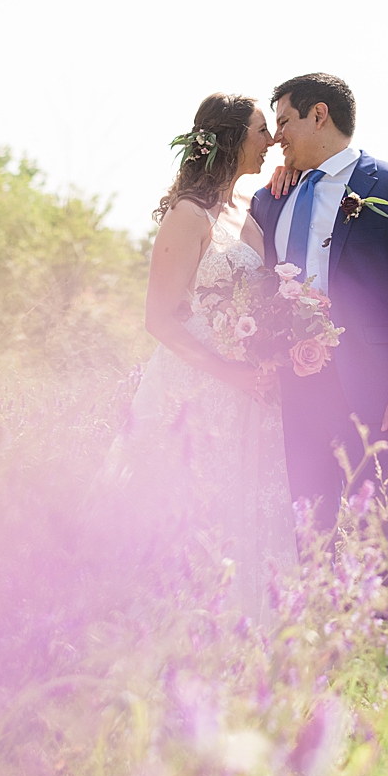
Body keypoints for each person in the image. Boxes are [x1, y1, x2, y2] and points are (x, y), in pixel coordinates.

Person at [113, 92, 298, 623]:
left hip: (249, 393)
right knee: (188, 515)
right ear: (233, 138)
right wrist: (230, 372)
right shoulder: (187, 215)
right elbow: (159, 318)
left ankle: (248, 641)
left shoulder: (249, 212)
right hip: (193, 391)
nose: (272, 141)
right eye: (262, 130)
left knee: (246, 517)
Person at [249, 73, 388, 535]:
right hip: (295, 398)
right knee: (305, 528)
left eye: (284, 122)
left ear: (319, 115)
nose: (277, 137)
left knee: (381, 527)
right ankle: (318, 610)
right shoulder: (270, 200)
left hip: (375, 395)